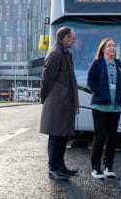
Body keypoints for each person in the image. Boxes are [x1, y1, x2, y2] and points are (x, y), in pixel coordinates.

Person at [39, 26, 79, 181]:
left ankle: (60, 166)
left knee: (63, 135)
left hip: (64, 101)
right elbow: (46, 79)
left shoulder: (65, 53)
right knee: (56, 136)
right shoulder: (56, 54)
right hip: (57, 102)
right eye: (73, 38)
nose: (74, 41)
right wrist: (43, 97)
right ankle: (53, 168)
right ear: (65, 38)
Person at [87, 38, 121, 179]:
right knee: (100, 136)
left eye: (114, 46)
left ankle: (109, 166)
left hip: (115, 107)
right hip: (100, 105)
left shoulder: (120, 65)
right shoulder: (97, 63)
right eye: (109, 46)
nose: (112, 48)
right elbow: (90, 81)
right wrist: (99, 92)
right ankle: (95, 167)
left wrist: (120, 95)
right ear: (103, 49)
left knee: (112, 137)